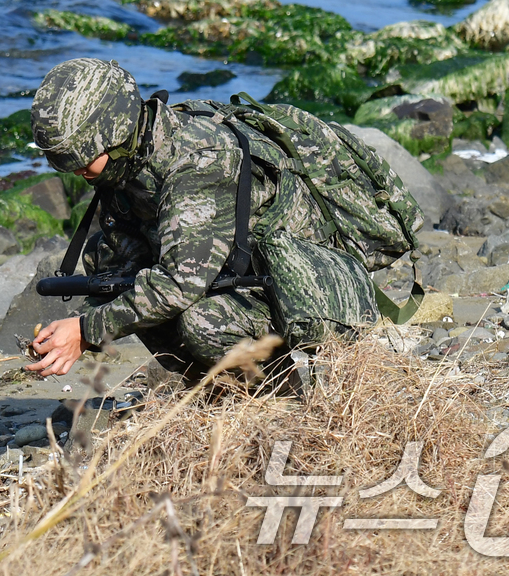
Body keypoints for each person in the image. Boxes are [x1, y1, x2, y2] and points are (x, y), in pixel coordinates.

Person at [24, 58, 401, 380]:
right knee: (106, 258)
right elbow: (129, 260)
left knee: (202, 324)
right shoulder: (134, 157)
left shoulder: (199, 160)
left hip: (311, 287)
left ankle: (274, 398)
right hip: (242, 274)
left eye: (79, 159)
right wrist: (75, 327)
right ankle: (214, 390)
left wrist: (87, 330)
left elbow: (179, 283)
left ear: (115, 132)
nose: (75, 172)